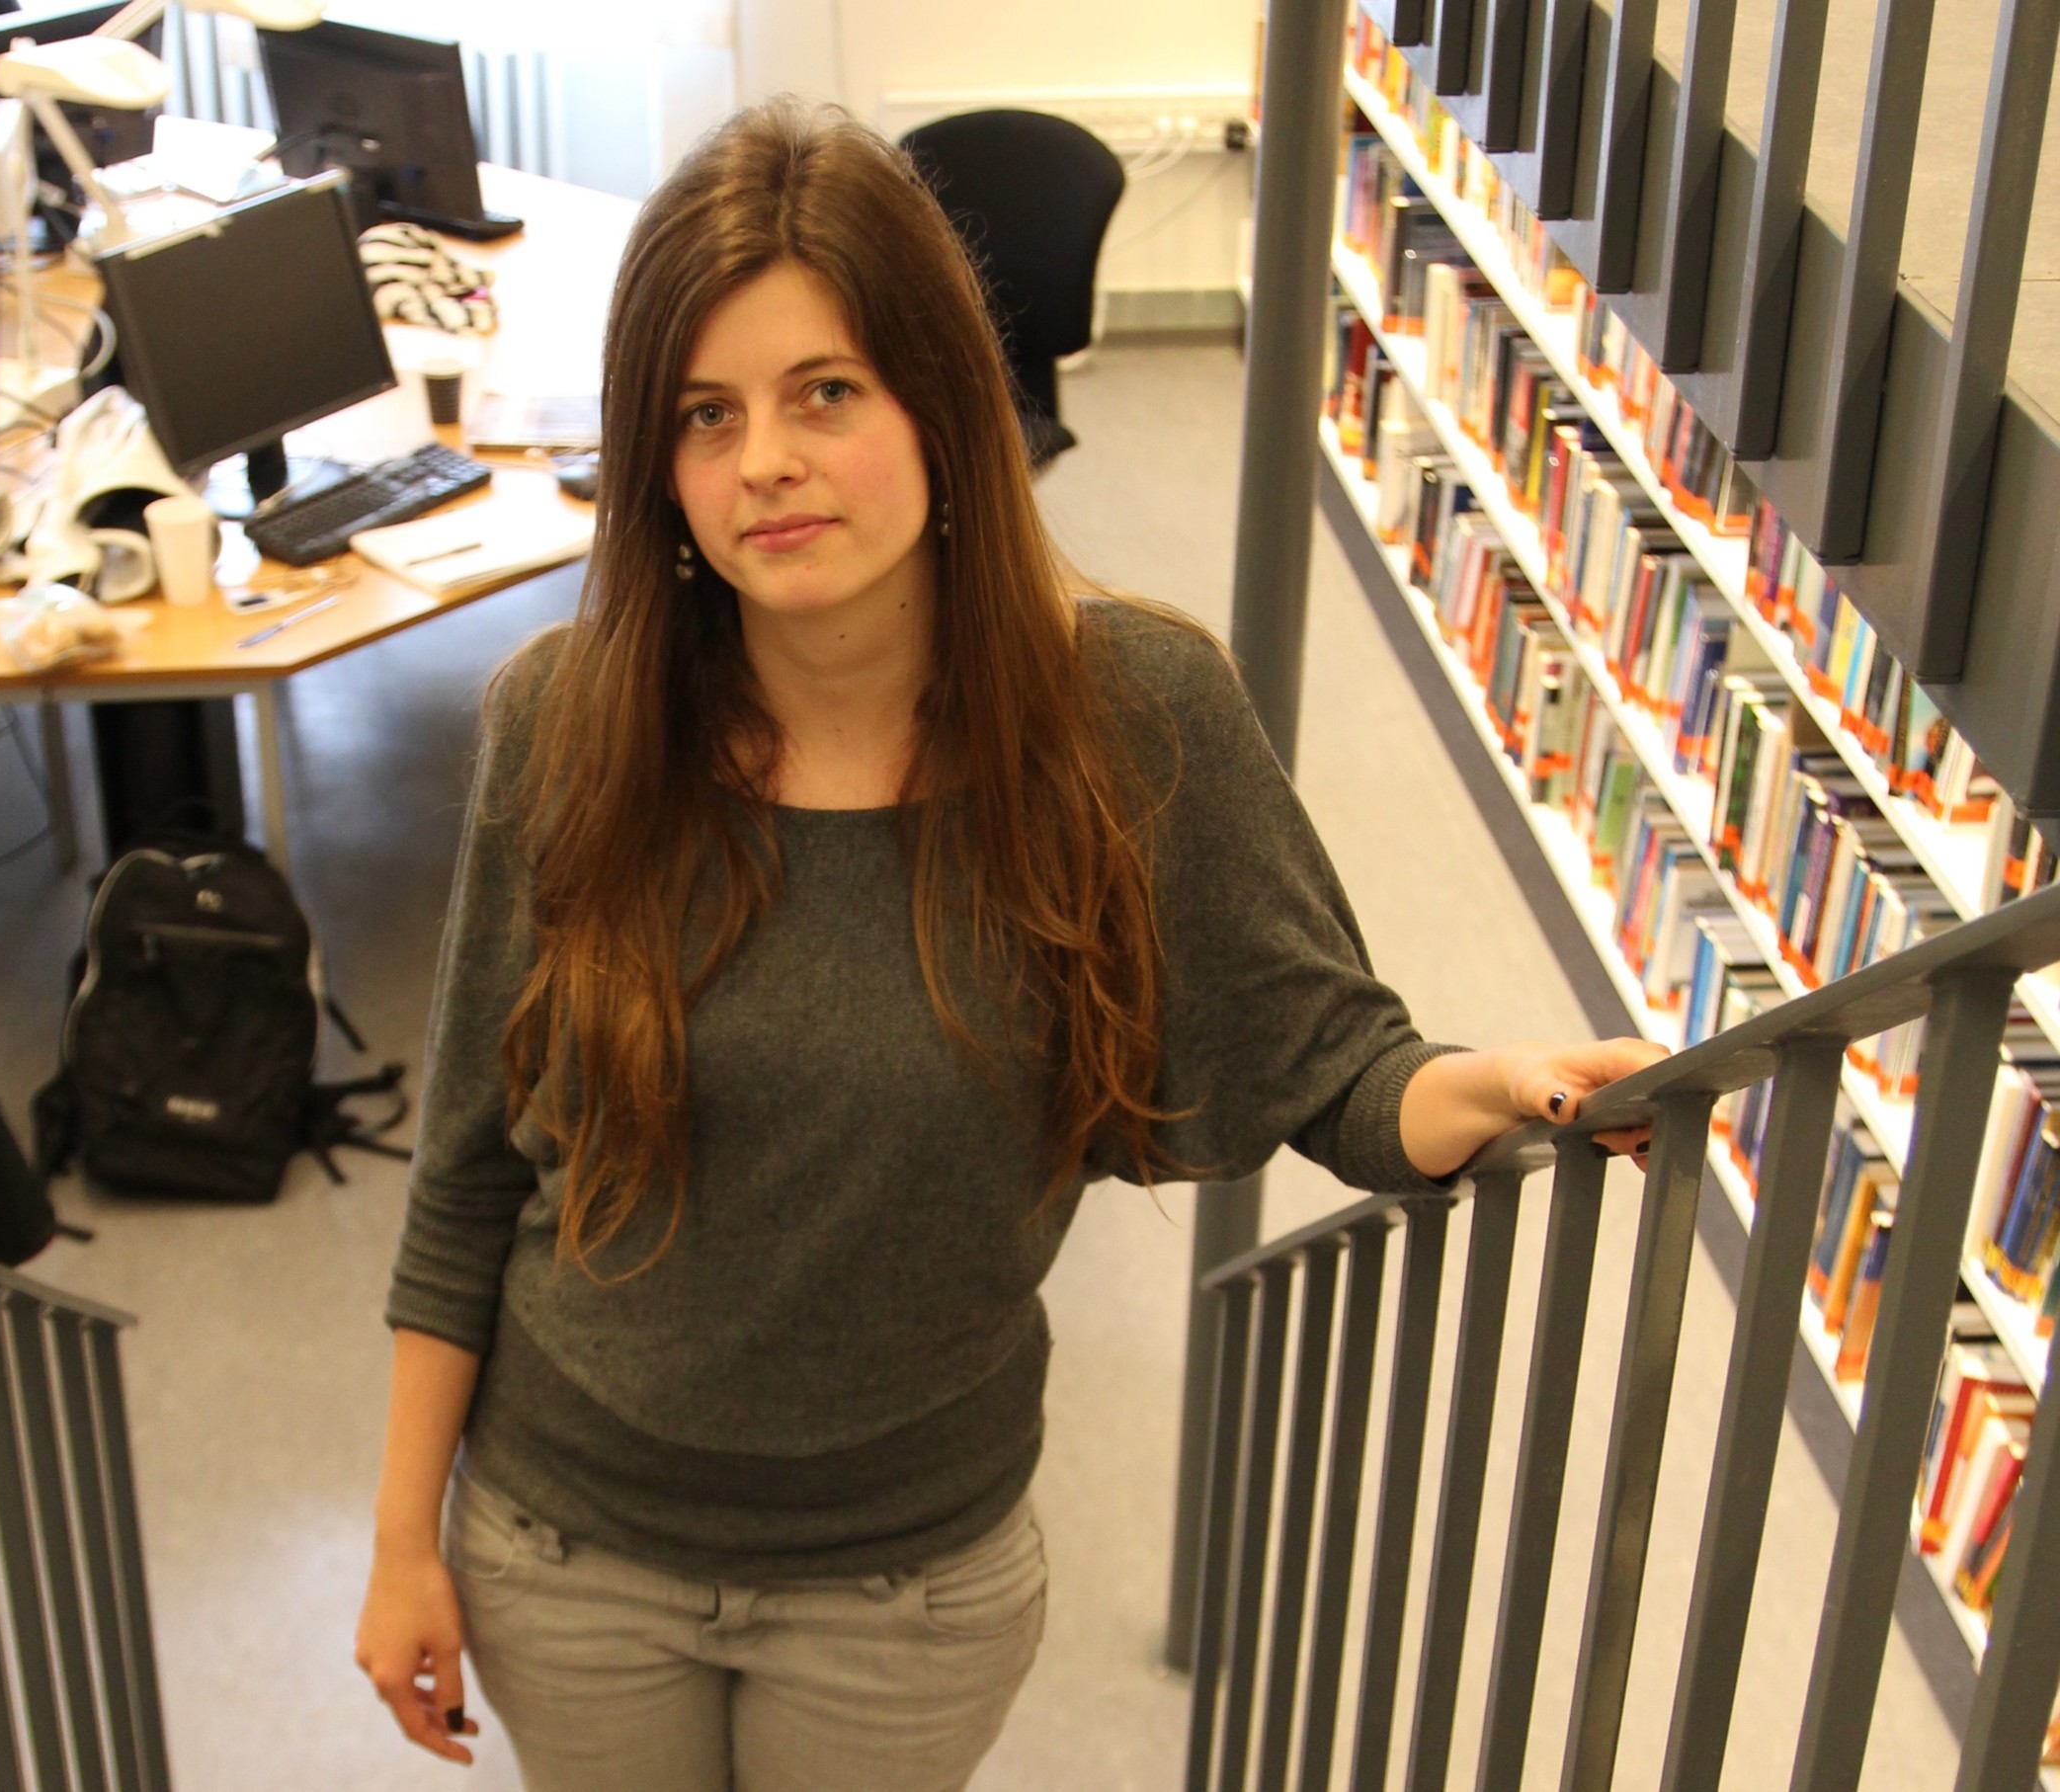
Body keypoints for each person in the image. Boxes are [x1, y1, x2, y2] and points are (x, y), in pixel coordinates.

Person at [356, 97, 1662, 1790]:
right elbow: (465, 1167)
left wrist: (1499, 1083)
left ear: (942, 401)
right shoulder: (566, 722)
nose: (764, 462)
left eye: (826, 392)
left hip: (904, 1583)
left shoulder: (1134, 715)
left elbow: (1334, 1067)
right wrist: (403, 1543)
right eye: (707, 414)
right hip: (563, 1544)